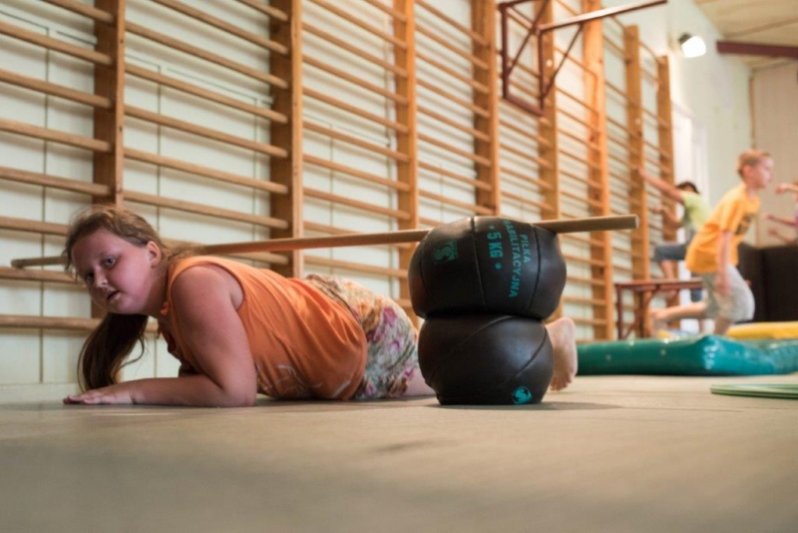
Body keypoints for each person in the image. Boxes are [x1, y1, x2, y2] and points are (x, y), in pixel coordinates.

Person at [62, 206, 578, 407]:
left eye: (110, 261)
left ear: (151, 252)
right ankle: (546, 343)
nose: (100, 280)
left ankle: (545, 341)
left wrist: (129, 393)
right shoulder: (170, 311)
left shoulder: (192, 283)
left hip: (356, 330)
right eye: (89, 275)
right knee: (446, 376)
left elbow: (234, 392)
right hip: (337, 347)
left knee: (460, 384)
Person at [650, 149, 773, 336]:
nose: (770, 175)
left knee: (716, 307)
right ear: (749, 171)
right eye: (766, 169)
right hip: (708, 254)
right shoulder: (736, 199)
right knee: (741, 303)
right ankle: (716, 343)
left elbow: (733, 241)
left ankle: (662, 315)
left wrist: (732, 272)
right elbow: (724, 236)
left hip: (714, 255)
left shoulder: (753, 201)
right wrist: (724, 273)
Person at [640, 168, 710, 301]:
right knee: (662, 251)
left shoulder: (695, 199)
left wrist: (646, 177)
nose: (678, 199)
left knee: (696, 286)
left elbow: (669, 191)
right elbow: (675, 225)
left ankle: (673, 286)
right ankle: (672, 284)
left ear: (689, 189)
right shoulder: (690, 212)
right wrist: (665, 211)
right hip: (692, 249)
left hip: (700, 247)